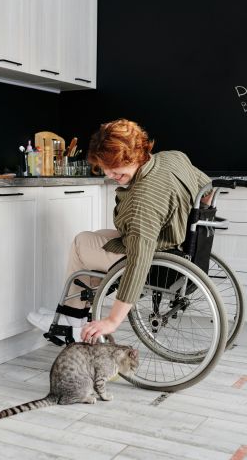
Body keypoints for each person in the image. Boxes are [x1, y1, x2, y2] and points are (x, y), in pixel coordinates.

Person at [27, 118, 212, 344]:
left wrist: (112, 321)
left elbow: (138, 261)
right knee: (94, 237)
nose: (109, 173)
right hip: (181, 247)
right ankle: (72, 314)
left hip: (158, 259)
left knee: (81, 244)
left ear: (133, 155)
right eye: (105, 166)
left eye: (114, 167)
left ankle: (72, 321)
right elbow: (207, 189)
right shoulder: (173, 157)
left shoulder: (143, 200)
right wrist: (189, 223)